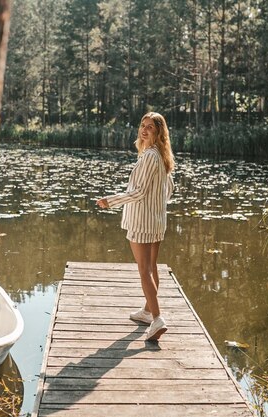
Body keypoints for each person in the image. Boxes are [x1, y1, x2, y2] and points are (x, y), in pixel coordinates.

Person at [96, 112, 175, 341]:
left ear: (159, 132)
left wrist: (109, 201)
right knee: (152, 267)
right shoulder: (162, 156)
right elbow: (168, 190)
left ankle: (157, 318)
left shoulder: (150, 156)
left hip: (142, 221)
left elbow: (138, 192)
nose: (144, 130)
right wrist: (156, 207)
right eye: (143, 125)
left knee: (144, 270)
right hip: (156, 219)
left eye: (150, 127)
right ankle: (148, 311)